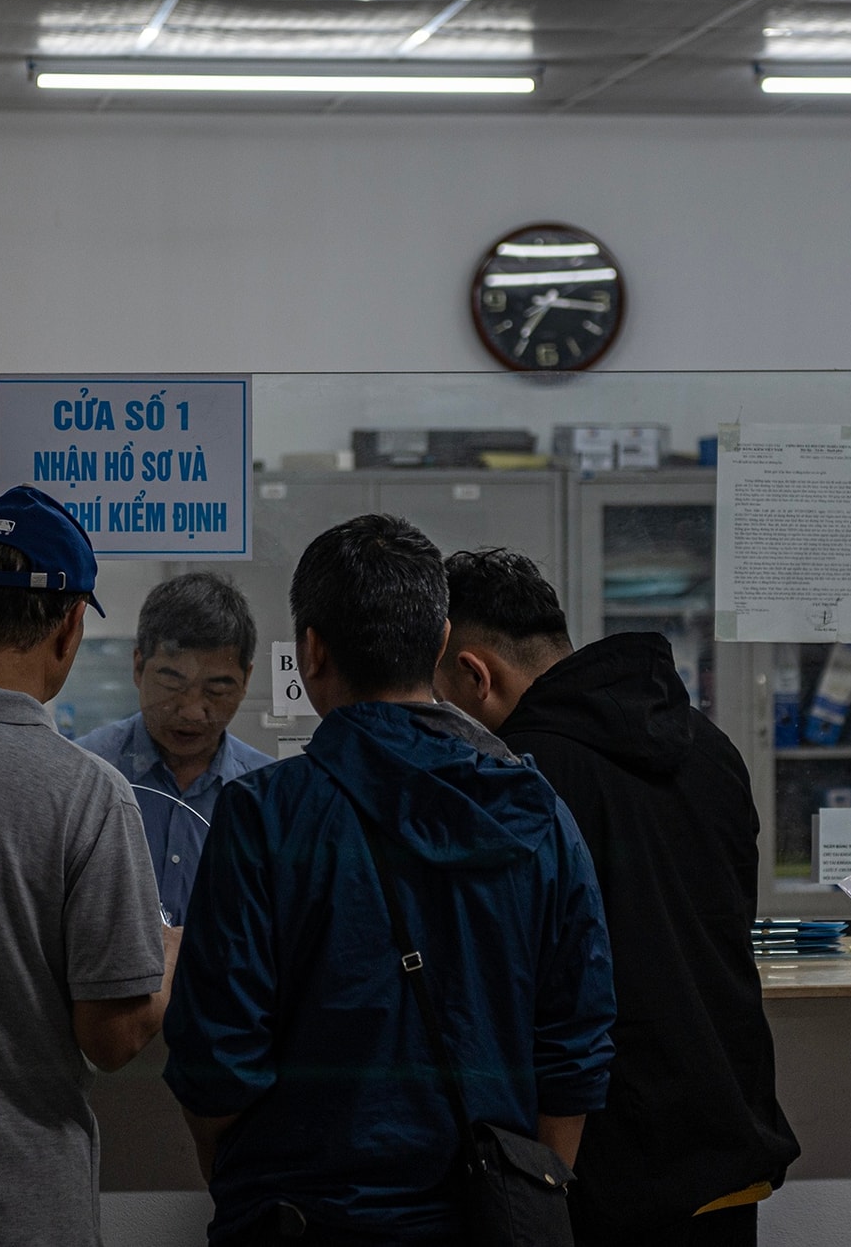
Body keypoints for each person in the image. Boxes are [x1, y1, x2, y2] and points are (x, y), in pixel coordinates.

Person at [164, 514, 617, 1245]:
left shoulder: (263, 816)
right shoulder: (535, 813)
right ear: (441, 642)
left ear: (311, 652)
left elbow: (217, 1061)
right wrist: (527, 1191)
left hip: (304, 1216)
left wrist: (254, 1187)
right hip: (485, 1223)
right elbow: (578, 1045)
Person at [437, 547, 799, 1247]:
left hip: (600, 1168)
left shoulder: (518, 780)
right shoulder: (712, 746)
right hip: (727, 1144)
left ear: (475, 674)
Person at [0, 486, 174, 1247]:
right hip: (22, 1206)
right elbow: (113, 1038)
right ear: (71, 626)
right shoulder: (87, 795)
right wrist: (171, 952)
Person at [76, 572, 272, 924]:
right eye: (172, 682)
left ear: (246, 681)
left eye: (217, 689)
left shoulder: (268, 794)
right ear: (138, 666)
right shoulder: (84, 773)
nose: (193, 711)